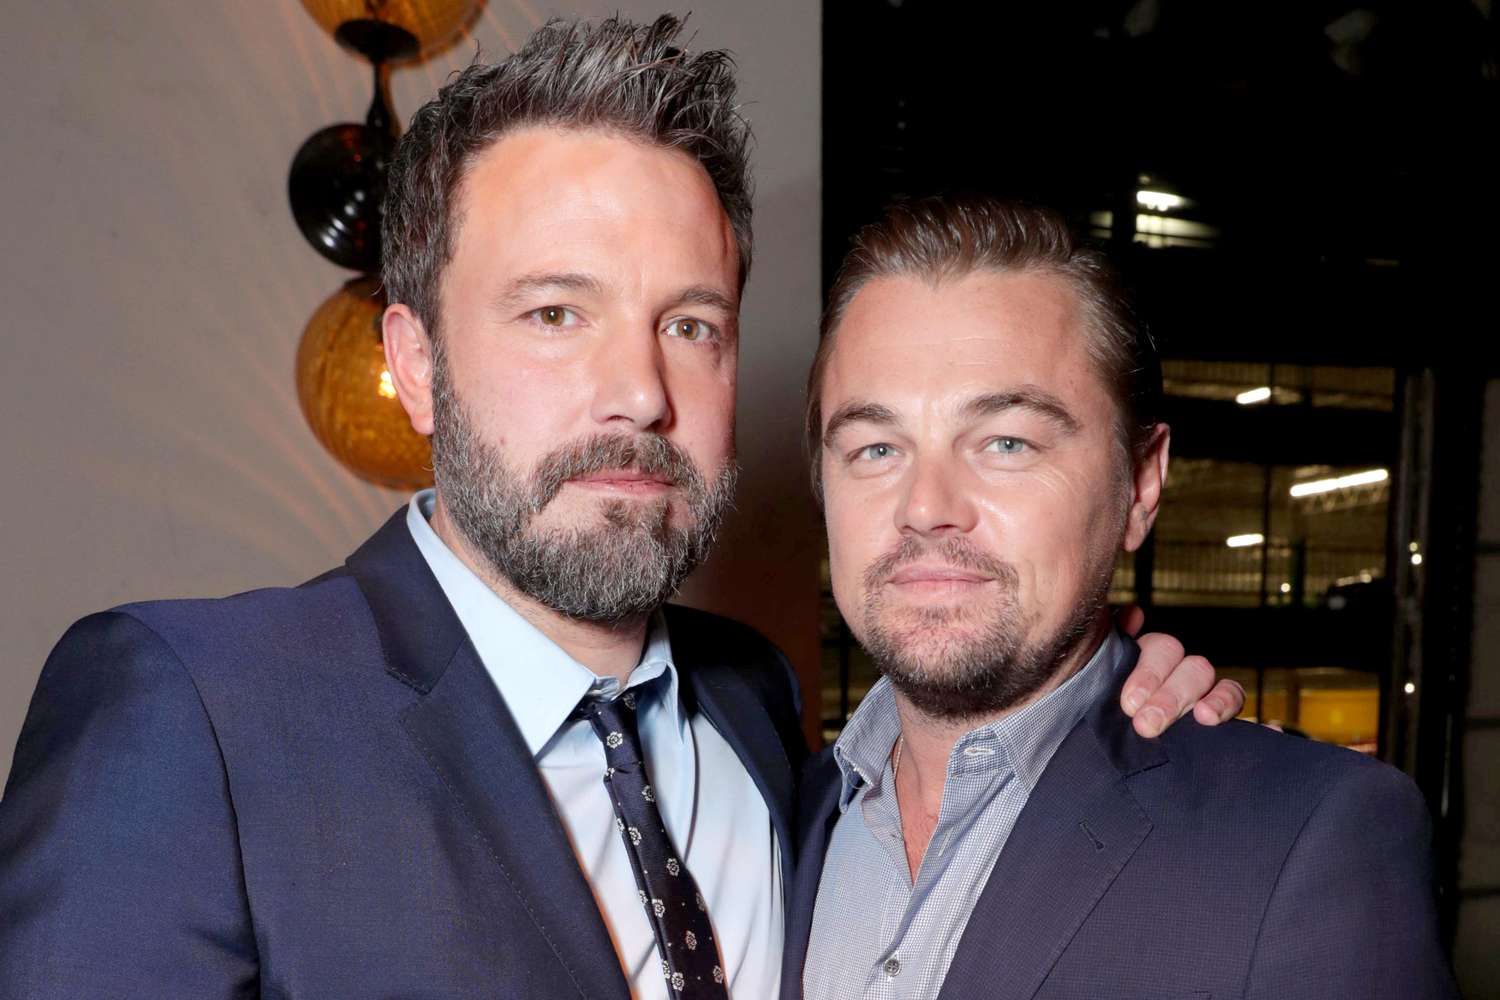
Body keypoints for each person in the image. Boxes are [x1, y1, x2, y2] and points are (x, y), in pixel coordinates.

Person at [0, 18, 1239, 999]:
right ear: (417, 364)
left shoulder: (756, 706)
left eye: (690, 325)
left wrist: (1102, 706)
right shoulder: (193, 715)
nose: (641, 391)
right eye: (557, 313)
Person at [783, 196, 1458, 999]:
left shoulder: (1304, 841)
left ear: (1140, 484)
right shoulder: (772, 813)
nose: (925, 505)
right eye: (875, 447)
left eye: (1006, 442)